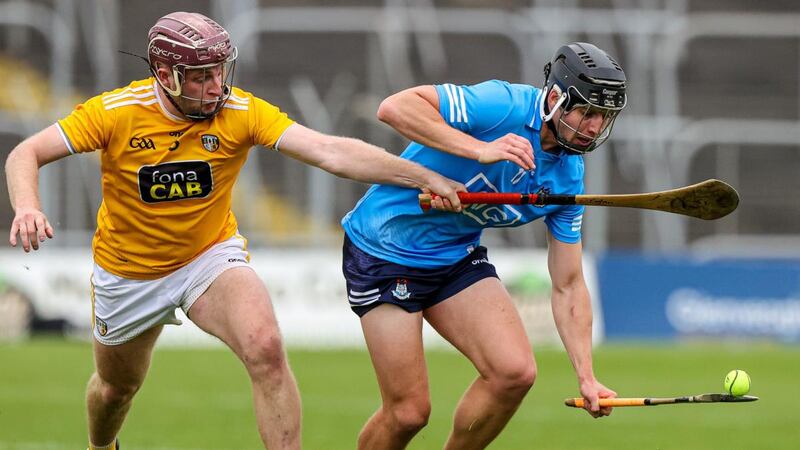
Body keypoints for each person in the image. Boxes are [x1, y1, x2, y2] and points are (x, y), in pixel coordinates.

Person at [4, 11, 464, 450]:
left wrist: (419, 175)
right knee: (114, 390)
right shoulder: (116, 111)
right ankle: (100, 444)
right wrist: (27, 207)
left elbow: (329, 151)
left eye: (220, 71)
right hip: (128, 274)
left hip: (208, 257)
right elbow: (25, 153)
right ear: (165, 74)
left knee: (265, 347)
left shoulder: (241, 110)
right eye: (201, 76)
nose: (215, 86)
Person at [341, 42, 627, 449]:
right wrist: (479, 149)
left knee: (514, 373)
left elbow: (568, 284)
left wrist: (586, 375)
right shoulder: (504, 105)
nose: (594, 127)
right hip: (384, 250)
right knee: (408, 413)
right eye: (586, 111)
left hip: (455, 255)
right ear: (555, 98)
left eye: (604, 117)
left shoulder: (568, 177)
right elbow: (394, 108)